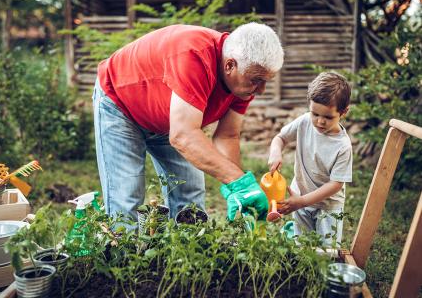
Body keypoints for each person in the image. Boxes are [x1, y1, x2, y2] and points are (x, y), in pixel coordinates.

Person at [93, 23, 284, 223]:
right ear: (230, 65)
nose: (261, 90)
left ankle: (187, 252)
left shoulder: (243, 81)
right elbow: (183, 135)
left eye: (266, 81)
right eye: (257, 80)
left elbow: (227, 135)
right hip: (120, 106)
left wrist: (239, 188)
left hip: (173, 120)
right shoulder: (194, 55)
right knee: (126, 196)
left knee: (190, 194)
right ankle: (122, 253)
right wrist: (239, 182)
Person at [268, 72, 352, 246]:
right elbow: (280, 138)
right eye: (315, 114)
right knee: (302, 247)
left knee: (326, 252)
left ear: (343, 112)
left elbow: (336, 184)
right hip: (300, 195)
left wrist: (302, 202)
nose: (320, 121)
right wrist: (275, 151)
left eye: (328, 117)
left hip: (329, 206)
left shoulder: (343, 146)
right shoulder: (304, 122)